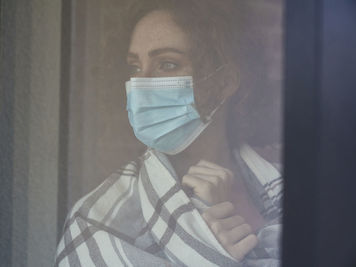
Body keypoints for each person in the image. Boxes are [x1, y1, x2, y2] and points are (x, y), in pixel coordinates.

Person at [55, 0, 282, 266]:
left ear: (224, 82)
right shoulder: (97, 221)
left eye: (167, 64)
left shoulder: (294, 185)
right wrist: (209, 255)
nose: (141, 83)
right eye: (135, 67)